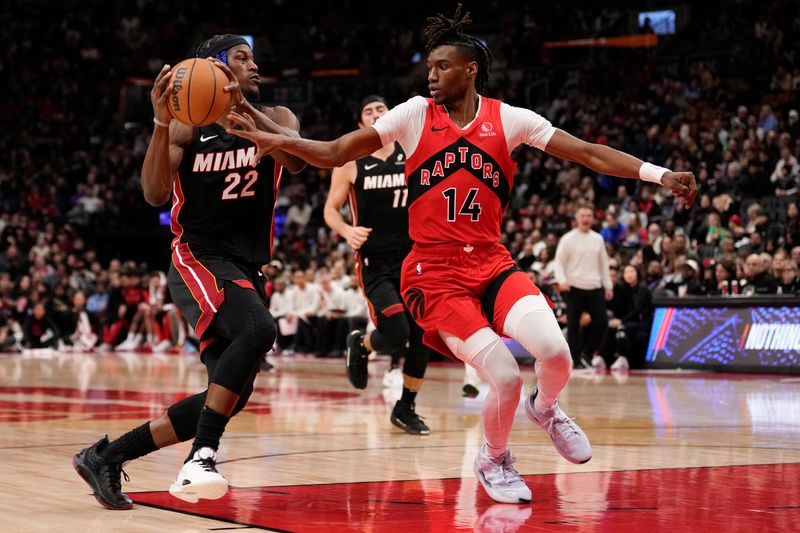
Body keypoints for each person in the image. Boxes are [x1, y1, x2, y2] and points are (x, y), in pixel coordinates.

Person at [226, 5, 696, 505]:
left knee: (557, 354)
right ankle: (494, 459)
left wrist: (659, 175)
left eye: (442, 67)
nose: (431, 76)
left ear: (470, 70)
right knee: (507, 376)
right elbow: (337, 150)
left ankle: (548, 407)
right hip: (433, 273)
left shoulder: (509, 119)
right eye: (428, 67)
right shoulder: (411, 115)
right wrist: (276, 134)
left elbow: (589, 153)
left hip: (491, 262)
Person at [72, 34, 306, 510]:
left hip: (246, 265)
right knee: (259, 328)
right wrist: (161, 122)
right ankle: (202, 455)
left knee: (230, 394)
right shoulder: (183, 130)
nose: (254, 65)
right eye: (241, 58)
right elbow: (155, 194)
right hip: (197, 257)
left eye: (254, 57)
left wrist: (243, 112)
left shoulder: (277, 119)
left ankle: (108, 456)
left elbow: (296, 159)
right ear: (213, 69)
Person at [323, 95, 431, 435]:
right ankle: (362, 344)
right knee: (398, 333)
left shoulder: (412, 150)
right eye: (367, 111)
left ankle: (406, 407)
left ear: (393, 116)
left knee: (422, 334)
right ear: (360, 125)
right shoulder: (351, 161)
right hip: (375, 260)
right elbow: (330, 209)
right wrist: (346, 230)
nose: (375, 114)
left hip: (415, 256)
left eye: (381, 109)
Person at [554, 205, 614, 370]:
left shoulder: (598, 239)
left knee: (602, 322)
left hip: (595, 286)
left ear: (593, 218)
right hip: (573, 287)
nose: (586, 218)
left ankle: (587, 353)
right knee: (573, 325)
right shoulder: (568, 238)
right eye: (583, 215)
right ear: (577, 218)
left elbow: (604, 264)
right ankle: (575, 358)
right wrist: (562, 280)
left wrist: (608, 286)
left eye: (589, 215)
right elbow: (559, 262)